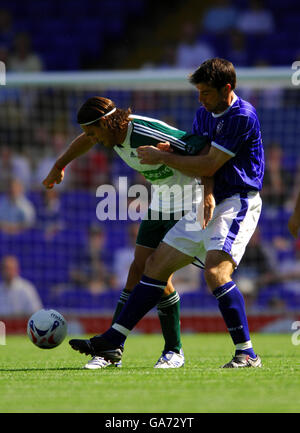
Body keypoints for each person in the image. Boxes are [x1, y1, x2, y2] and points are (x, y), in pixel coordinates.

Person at [67, 58, 265, 369]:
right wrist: (206, 190)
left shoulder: (242, 115)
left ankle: (247, 353)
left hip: (237, 200)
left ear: (227, 89)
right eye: (198, 92)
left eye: (206, 93)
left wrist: (162, 157)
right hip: (205, 199)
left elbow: (208, 163)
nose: (200, 99)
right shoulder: (204, 113)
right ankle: (114, 341)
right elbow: (200, 157)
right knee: (154, 265)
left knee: (215, 273)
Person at [42, 96, 214, 369]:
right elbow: (84, 140)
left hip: (188, 204)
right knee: (139, 271)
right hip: (161, 202)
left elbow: (202, 149)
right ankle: (113, 349)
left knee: (157, 273)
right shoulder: (111, 134)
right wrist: (59, 165)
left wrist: (207, 195)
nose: (91, 138)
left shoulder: (143, 132)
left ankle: (174, 350)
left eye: (93, 131)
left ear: (105, 122)